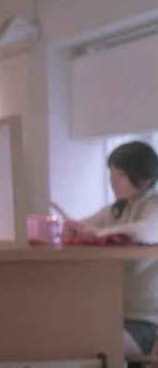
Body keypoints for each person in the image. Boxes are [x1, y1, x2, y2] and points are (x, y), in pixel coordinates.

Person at [56, 141, 158, 356]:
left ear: (146, 179)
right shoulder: (116, 210)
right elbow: (84, 225)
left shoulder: (154, 205)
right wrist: (74, 229)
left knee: (91, 347)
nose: (113, 180)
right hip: (112, 312)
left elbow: (145, 231)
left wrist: (100, 233)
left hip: (146, 321)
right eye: (111, 172)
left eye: (120, 174)